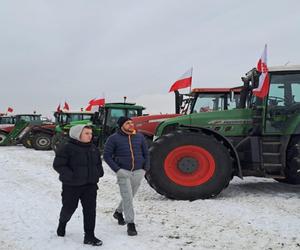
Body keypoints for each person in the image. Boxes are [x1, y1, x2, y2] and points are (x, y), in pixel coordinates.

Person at [53, 125, 104, 246]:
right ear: (77, 134)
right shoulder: (67, 148)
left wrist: (99, 173)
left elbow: (98, 163)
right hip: (72, 186)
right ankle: (62, 224)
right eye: (86, 133)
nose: (90, 135)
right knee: (69, 208)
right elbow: (59, 165)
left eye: (90, 133)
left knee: (90, 211)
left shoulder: (93, 148)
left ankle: (89, 236)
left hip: (90, 185)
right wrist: (71, 176)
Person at [103, 117, 150, 236]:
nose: (131, 125)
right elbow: (107, 156)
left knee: (130, 195)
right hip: (123, 171)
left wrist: (145, 168)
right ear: (121, 125)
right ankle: (131, 224)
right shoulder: (113, 138)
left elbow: (146, 153)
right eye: (127, 123)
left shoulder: (139, 137)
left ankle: (118, 212)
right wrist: (117, 170)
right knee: (128, 197)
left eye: (131, 122)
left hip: (139, 171)